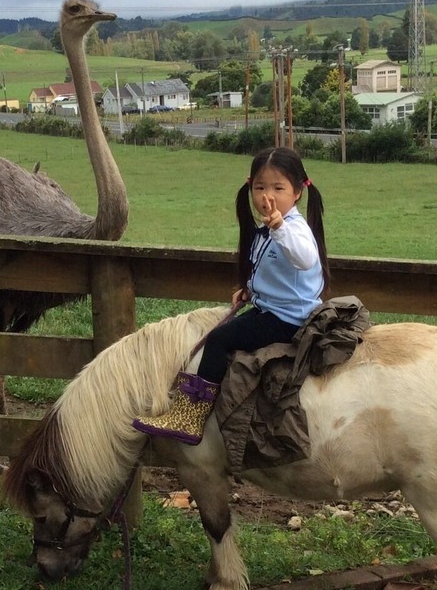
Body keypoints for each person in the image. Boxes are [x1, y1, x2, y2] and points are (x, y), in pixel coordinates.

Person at [134, 146, 329, 444]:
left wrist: (280, 227)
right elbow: (271, 270)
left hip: (288, 318)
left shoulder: (294, 229)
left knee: (218, 339)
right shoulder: (267, 231)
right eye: (261, 187)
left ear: (298, 192)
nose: (269, 196)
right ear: (250, 186)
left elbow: (304, 258)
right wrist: (250, 289)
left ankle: (191, 416)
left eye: (279, 188)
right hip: (273, 308)